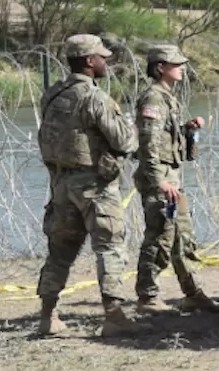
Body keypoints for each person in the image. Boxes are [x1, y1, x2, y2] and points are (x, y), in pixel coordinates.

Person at [34, 33, 148, 337]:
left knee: (59, 252)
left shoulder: (53, 94)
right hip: (95, 186)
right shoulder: (94, 97)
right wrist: (133, 128)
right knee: (110, 247)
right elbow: (123, 140)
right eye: (102, 57)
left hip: (61, 183)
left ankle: (48, 315)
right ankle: (113, 315)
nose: (106, 61)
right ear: (89, 61)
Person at [132, 44, 219, 315]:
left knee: (181, 237)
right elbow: (147, 144)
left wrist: (187, 130)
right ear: (160, 67)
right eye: (176, 64)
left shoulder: (167, 97)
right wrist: (158, 181)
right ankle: (147, 296)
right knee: (160, 235)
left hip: (171, 177)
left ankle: (192, 292)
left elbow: (165, 139)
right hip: (160, 179)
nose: (182, 68)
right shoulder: (153, 99)